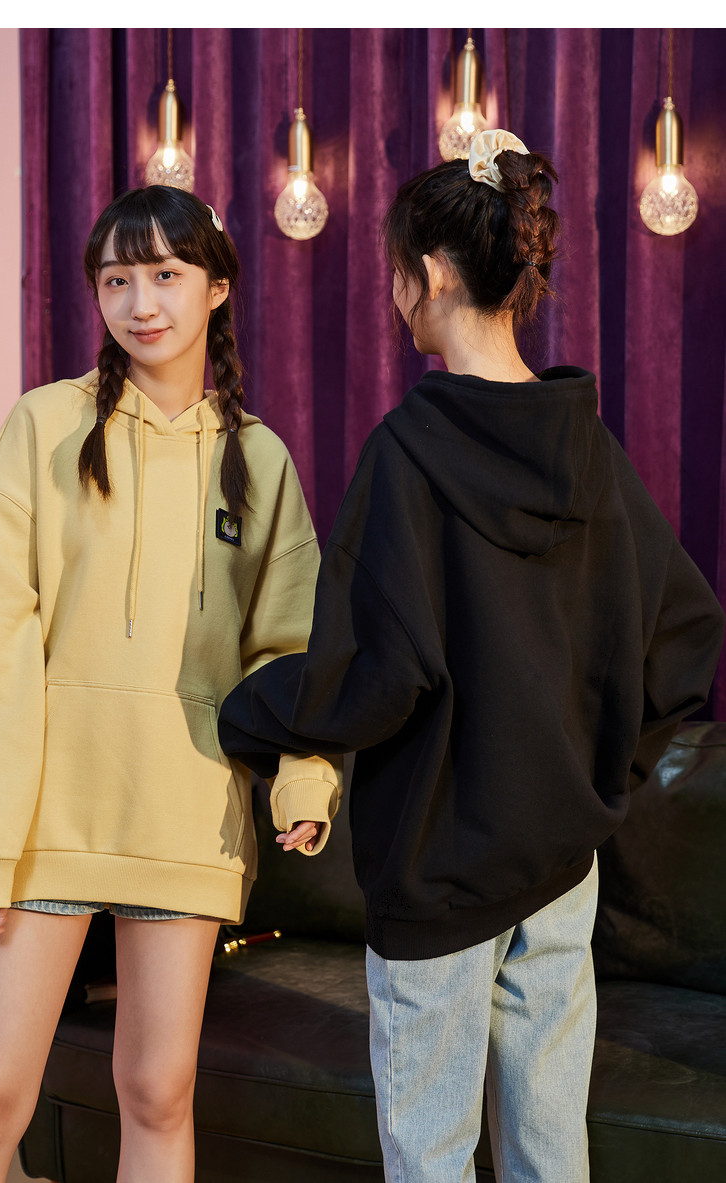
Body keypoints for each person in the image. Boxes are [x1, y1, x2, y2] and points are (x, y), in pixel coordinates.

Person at [218, 129, 725, 1183]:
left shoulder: (405, 454)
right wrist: (601, 774)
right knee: (550, 1154)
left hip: (440, 866)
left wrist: (248, 710)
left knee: (431, 1156)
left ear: (433, 271)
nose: (394, 294)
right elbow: (686, 635)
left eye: (397, 272)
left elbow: (374, 677)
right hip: (562, 861)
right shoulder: (591, 450)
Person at [0, 185, 340, 1183]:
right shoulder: (42, 425)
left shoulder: (258, 459)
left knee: (158, 1092)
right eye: (117, 280)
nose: (141, 303)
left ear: (217, 287)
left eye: (165, 274)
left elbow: (289, 646)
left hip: (185, 816)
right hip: (50, 817)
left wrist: (303, 778)